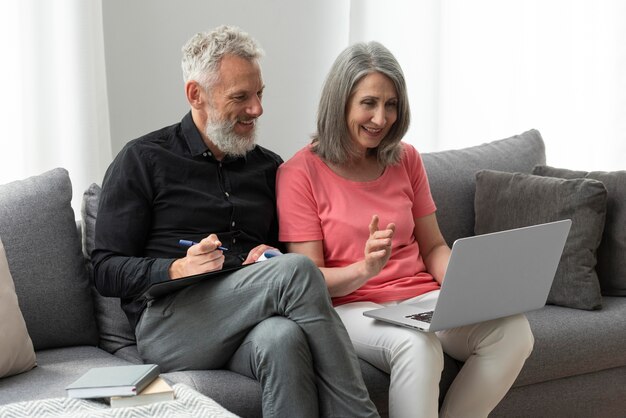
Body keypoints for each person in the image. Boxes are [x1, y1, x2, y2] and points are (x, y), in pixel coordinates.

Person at [92, 25, 379, 418]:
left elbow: (279, 265)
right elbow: (105, 269)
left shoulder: (267, 167)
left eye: (259, 94)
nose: (257, 109)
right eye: (240, 97)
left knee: (282, 338)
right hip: (172, 326)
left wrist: (268, 256)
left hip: (250, 317)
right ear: (196, 94)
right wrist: (176, 268)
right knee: (295, 272)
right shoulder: (142, 160)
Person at [276, 41, 535, 418]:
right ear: (340, 101)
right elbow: (307, 279)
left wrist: (470, 285)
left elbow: (433, 248)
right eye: (369, 103)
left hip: (419, 300)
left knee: (512, 332)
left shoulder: (406, 159)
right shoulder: (299, 173)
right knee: (418, 345)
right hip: (353, 308)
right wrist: (364, 269)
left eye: (391, 104)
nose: (381, 118)